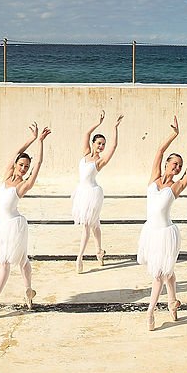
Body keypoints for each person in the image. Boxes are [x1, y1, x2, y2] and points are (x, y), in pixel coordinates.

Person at [137, 116, 187, 331]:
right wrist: (174, 134)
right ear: (167, 163)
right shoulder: (153, 178)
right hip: (151, 232)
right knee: (167, 272)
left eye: (179, 165)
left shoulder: (177, 187)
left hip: (167, 234)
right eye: (174, 163)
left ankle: (150, 312)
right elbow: (159, 150)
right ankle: (172, 302)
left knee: (159, 274)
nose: (177, 167)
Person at [0, 122, 51, 318]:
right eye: (21, 165)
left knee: (7, 262)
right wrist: (31, 138)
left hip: (15, 226)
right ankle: (29, 291)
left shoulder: (22, 186)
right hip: (2, 224)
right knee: (22, 260)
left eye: (26, 167)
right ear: (15, 164)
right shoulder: (6, 175)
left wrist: (40, 142)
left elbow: (38, 164)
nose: (23, 168)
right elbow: (17, 152)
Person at [72, 110, 123, 273]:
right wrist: (98, 123)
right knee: (95, 225)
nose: (101, 146)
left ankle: (79, 258)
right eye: (99, 143)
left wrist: (115, 127)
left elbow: (114, 146)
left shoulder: (99, 162)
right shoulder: (85, 154)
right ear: (93, 144)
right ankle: (99, 252)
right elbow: (87, 133)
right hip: (82, 193)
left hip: (93, 194)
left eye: (103, 144)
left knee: (87, 225)